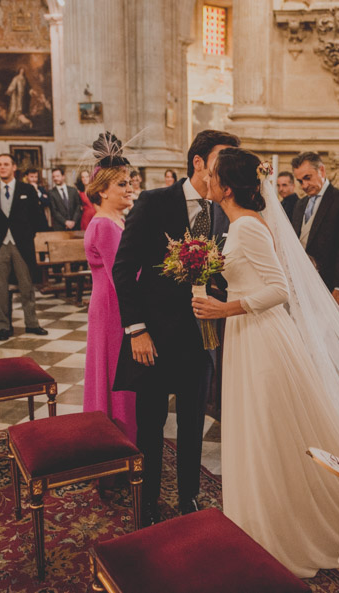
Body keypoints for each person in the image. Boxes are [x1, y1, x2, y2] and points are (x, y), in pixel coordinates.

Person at [191, 147, 339, 577]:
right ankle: (255, 518)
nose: (206, 179)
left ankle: (278, 527)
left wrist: (223, 309)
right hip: (247, 336)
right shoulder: (239, 224)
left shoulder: (247, 227)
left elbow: (280, 289)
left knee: (268, 429)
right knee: (256, 429)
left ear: (227, 187)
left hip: (262, 338)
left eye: (212, 174)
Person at [112, 129, 237, 526]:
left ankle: (188, 496)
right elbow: (122, 269)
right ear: (198, 162)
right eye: (222, 159)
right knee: (150, 424)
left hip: (200, 338)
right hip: (153, 336)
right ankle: (147, 501)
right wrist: (136, 329)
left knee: (193, 422)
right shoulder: (153, 201)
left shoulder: (221, 210)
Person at [83, 134, 137, 442]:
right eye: (122, 183)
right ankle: (114, 440)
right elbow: (123, 278)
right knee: (115, 374)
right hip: (111, 307)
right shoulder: (103, 224)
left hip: (115, 304)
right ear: (102, 190)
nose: (130, 188)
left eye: (130, 182)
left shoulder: (117, 219)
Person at [0, 154, 48, 341]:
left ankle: (32, 323)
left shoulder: (27, 189)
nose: (2, 168)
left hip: (21, 244)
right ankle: (3, 326)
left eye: (6, 164)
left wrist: (26, 235)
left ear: (14, 167)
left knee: (26, 285)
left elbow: (37, 218)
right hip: (0, 245)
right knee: (0, 287)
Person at [290, 151, 339, 319]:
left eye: (308, 177)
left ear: (322, 171)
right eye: (300, 181)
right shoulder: (300, 204)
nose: (304, 185)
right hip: (304, 285)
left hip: (331, 284)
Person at [48, 166, 81, 231]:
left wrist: (73, 221)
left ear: (63, 176)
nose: (55, 178)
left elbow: (78, 206)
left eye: (57, 176)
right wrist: (65, 222)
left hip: (75, 226)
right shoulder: (51, 193)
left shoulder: (73, 190)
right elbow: (54, 211)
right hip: (59, 227)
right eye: (53, 177)